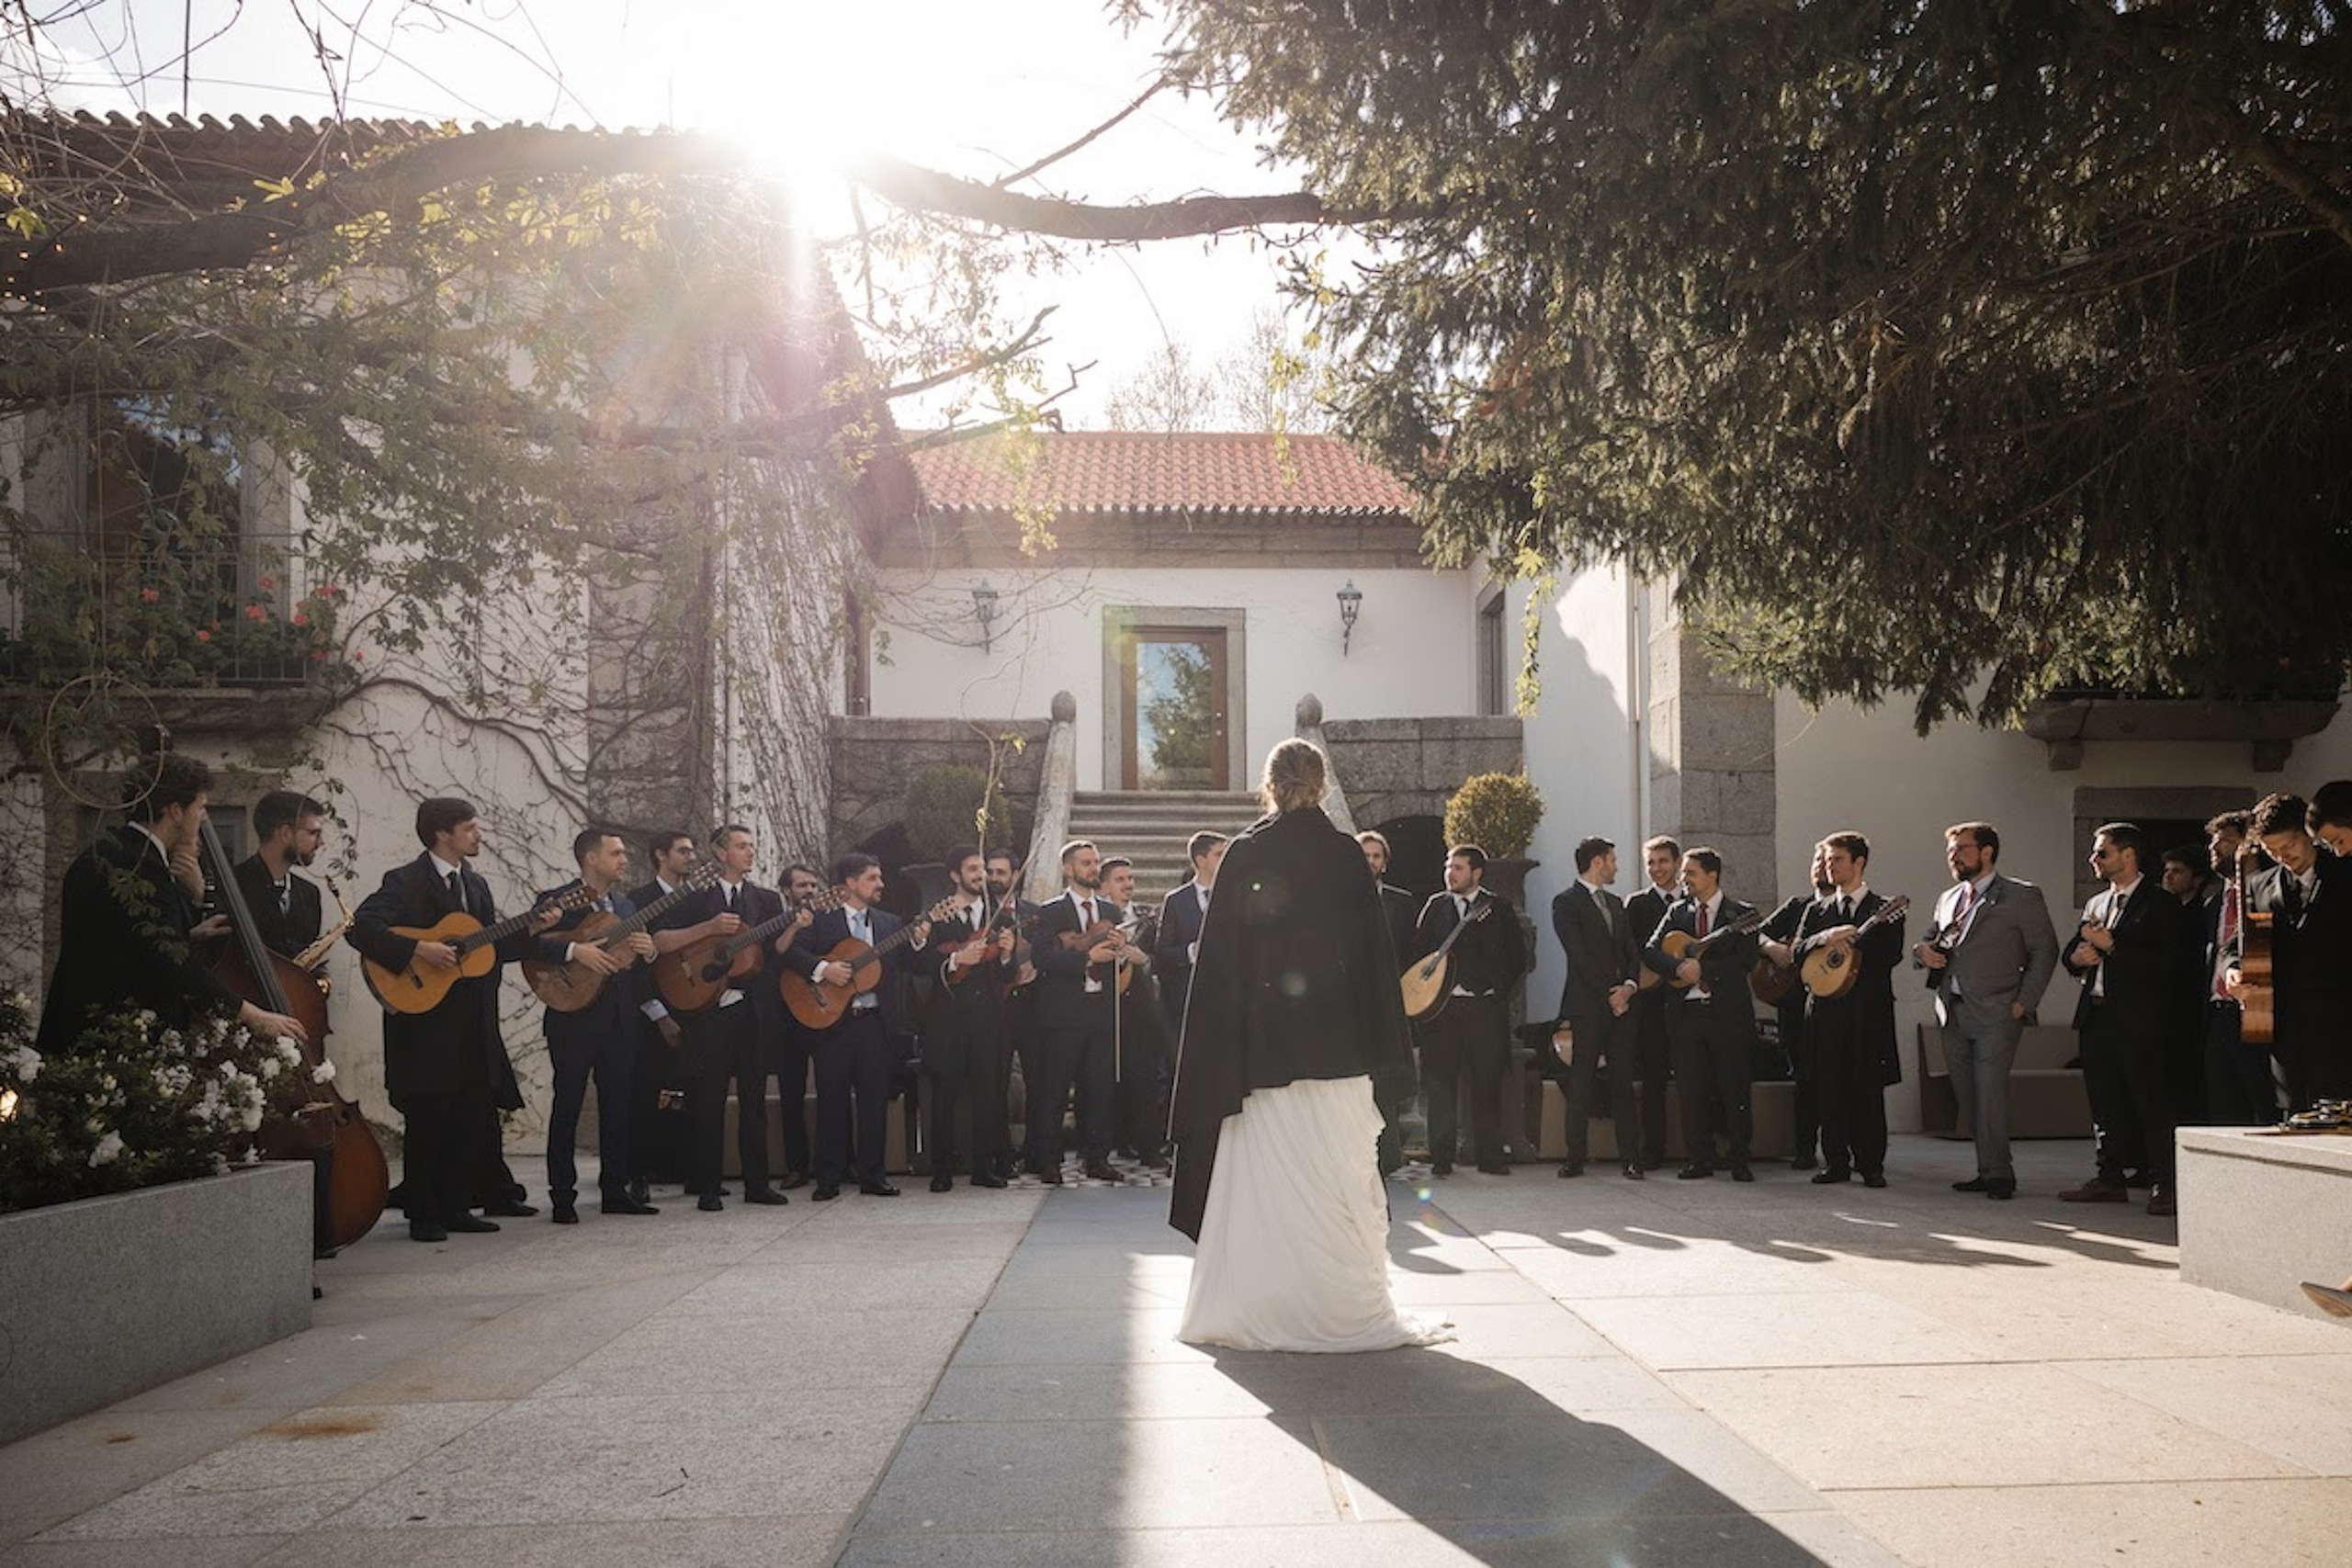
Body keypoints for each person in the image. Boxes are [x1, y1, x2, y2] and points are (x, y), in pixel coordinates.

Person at [1169, 738, 1446, 1352]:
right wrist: (1384, 1048)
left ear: (1268, 784)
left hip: (1263, 1060)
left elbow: (1220, 967)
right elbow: (1374, 959)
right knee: (1337, 1187)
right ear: (1320, 785)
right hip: (1340, 1055)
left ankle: (1258, 1305)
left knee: (1266, 1192)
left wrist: (1220, 1050)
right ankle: (1343, 1308)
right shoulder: (1348, 855)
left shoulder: (1244, 854)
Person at [349, 796, 551, 1243]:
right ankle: (423, 1213)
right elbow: (361, 927)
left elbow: (485, 951)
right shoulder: (404, 882)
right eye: (470, 828)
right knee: (429, 1120)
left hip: (470, 1024)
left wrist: (532, 930)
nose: (478, 835)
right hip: (423, 1024)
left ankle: (458, 1206)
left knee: (468, 1115)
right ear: (443, 833)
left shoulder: (476, 887)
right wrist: (419, 949)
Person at [38, 752, 309, 1058]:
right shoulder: (141, 867)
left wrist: (189, 935)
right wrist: (250, 1014)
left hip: (79, 1032)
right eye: (200, 807)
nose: (203, 818)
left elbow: (124, 943)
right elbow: (171, 963)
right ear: (176, 811)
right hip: (111, 1044)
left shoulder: (104, 854)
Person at [1914, 821, 2059, 1200]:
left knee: (1989, 1091)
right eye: (1951, 850)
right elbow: (1929, 940)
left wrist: (2023, 1002)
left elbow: (2044, 951)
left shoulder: (2021, 896)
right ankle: (1986, 1167)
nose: (1954, 856)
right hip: (1952, 1009)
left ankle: (2001, 1175)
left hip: (1998, 1009)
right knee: (1967, 1095)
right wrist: (1921, 952)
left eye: (1962, 848)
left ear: (1987, 852)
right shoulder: (1948, 898)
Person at [2059, 822, 2198, 1217]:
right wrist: (2075, 959)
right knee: (2104, 1101)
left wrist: (2114, 948)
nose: (2093, 860)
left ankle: (2164, 1183)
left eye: (2102, 853)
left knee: (2151, 1101)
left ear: (2128, 855)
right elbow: (2074, 949)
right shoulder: (2098, 903)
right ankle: (2110, 1177)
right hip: (2097, 1015)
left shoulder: (2160, 903)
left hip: (2141, 1021)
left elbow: (2170, 965)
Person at [533, 828, 661, 1223]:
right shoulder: (558, 902)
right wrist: (575, 950)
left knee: (617, 1106)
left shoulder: (625, 904)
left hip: (620, 1016)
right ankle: (563, 1196)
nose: (624, 859)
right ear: (591, 858)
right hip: (573, 1014)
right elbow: (531, 944)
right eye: (616, 853)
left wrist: (649, 951)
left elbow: (631, 958)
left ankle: (615, 1191)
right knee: (568, 1104)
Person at [789, 852, 921, 1199]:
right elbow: (792, 954)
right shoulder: (821, 918)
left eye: (879, 878)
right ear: (850, 883)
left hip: (875, 1023)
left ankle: (873, 1176)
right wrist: (823, 970)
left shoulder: (891, 924)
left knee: (874, 1100)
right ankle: (828, 1178)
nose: (880, 884)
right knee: (831, 1099)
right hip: (833, 1021)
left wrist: (919, 938)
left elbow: (910, 962)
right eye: (872, 878)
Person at [1790, 831, 1904, 1189]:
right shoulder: (1816, 909)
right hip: (1825, 1011)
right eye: (1826, 860)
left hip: (1866, 1012)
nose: (1829, 866)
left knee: (1866, 1088)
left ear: (1859, 863)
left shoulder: (1883, 908)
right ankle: (1835, 1162)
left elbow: (1891, 956)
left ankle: (1871, 1165)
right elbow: (1797, 952)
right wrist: (1825, 938)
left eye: (1837, 859)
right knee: (1830, 1088)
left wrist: (1857, 944)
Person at [1411, 844, 1530, 1176]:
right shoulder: (1435, 907)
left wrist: (1496, 993)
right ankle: (1441, 1158)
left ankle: (1490, 1156)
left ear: (1476, 873)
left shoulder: (1500, 908)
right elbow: (1419, 953)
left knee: (1487, 1083)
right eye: (1448, 867)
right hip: (1444, 1012)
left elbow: (1518, 958)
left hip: (1484, 1009)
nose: (1450, 873)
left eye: (1458, 868)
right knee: (1441, 1086)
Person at [1644, 847, 1760, 1181]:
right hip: (1687, 1015)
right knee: (1691, 1089)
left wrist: (1704, 969)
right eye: (1683, 874)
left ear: (1712, 875)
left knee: (1733, 1086)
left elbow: (1745, 961)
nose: (1684, 880)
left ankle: (1739, 1158)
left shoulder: (1742, 913)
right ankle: (1700, 1158)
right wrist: (1680, 966)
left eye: (1690, 873)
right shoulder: (1677, 913)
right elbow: (1651, 952)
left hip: (1727, 1015)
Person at [1026, 840, 1128, 1184]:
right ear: (1068, 869)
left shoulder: (1111, 912)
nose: (1093, 868)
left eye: (1096, 862)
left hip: (1100, 1011)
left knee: (1099, 1089)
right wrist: (1086, 958)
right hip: (1063, 1015)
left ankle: (1096, 1157)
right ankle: (1049, 1161)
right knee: (1055, 1089)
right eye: (1086, 862)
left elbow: (1120, 959)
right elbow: (1041, 958)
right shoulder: (1052, 912)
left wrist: (1121, 953)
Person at [919, 845, 1015, 1191]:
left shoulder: (998, 913)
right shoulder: (938, 915)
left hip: (988, 1019)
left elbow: (1008, 975)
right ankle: (941, 1169)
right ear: (955, 875)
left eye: (982, 869)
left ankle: (982, 1167)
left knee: (987, 1095)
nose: (981, 874)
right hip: (948, 1018)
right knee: (944, 1095)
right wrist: (957, 960)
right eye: (972, 869)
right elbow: (920, 962)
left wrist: (1005, 956)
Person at [1549, 835, 1644, 1179]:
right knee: (1581, 1081)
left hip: (1622, 1006)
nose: (1616, 866)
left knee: (1622, 1083)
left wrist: (1629, 988)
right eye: (1613, 860)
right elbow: (1579, 955)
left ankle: (1631, 1159)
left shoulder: (1617, 904)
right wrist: (1611, 993)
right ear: (1597, 861)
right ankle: (1575, 1157)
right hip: (1587, 1007)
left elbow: (1632, 951)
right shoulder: (1566, 902)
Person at [623, 829, 696, 1205]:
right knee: (646, 1094)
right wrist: (659, 1014)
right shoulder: (638, 901)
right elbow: (636, 966)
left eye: (692, 850)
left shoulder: (700, 898)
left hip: (695, 1005)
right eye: (683, 851)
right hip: (652, 1011)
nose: (690, 857)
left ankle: (694, 1169)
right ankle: (638, 1174)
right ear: (659, 855)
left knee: (695, 1092)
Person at [1758, 843, 1834, 1170]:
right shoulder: (1798, 906)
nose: (1818, 866)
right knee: (1803, 1078)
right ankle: (1805, 1148)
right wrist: (1773, 947)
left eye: (1825, 861)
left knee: (1835, 1079)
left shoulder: (1846, 909)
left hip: (1833, 1006)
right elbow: (1757, 933)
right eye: (1815, 860)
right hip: (1795, 1006)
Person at [2197, 811, 2275, 1127]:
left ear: (2251, 846)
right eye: (2213, 841)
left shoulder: (2271, 891)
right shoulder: (2213, 902)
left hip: (2259, 1010)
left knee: (2265, 1102)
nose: (2215, 847)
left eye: (2226, 840)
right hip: (2219, 1013)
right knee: (2223, 1106)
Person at [1357, 829, 1421, 1175]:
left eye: (1376, 856)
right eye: (1365, 856)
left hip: (1392, 1006)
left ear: (1385, 862)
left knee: (1390, 1081)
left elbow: (1412, 954)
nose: (1371, 862)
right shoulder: (1339, 900)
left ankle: (1390, 1155)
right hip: (1354, 1008)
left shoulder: (1402, 902)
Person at [1624, 836, 1682, 1169]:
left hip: (1686, 1000)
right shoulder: (1636, 905)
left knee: (1696, 1076)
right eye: (1651, 863)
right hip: (1650, 1004)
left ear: (1676, 863)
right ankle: (1653, 1150)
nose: (1657, 869)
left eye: (1663, 861)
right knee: (1653, 1079)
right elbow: (1630, 951)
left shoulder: (1692, 901)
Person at [984, 848, 1040, 1182]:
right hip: (996, 1012)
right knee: (996, 1084)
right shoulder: (983, 915)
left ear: (1016, 875)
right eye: (990, 872)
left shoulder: (1036, 913)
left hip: (1032, 1009)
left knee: (1039, 1083)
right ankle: (1000, 1154)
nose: (994, 878)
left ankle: (1034, 1152)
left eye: (1000, 872)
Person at [233, 790, 328, 965]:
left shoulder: (309, 894)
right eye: (314, 833)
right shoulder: (233, 885)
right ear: (285, 833)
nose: (321, 842)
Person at [1155, 831, 1226, 1033]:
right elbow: (1163, 951)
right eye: (1219, 854)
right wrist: (1191, 951)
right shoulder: (1176, 901)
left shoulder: (1235, 895)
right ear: (1201, 860)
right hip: (1188, 1000)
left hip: (1227, 998)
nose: (1226, 858)